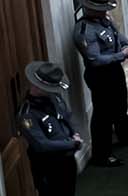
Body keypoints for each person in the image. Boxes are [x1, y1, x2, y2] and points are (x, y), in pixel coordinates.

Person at [73, 0, 128, 166]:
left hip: (114, 70)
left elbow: (116, 35)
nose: (105, 12)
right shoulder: (85, 31)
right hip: (100, 76)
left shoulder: (103, 20)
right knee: (103, 116)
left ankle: (127, 136)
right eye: (102, 9)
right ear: (91, 9)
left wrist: (127, 44)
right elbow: (95, 59)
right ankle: (102, 155)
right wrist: (122, 55)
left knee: (120, 105)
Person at [18, 61, 81, 196]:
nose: (54, 91)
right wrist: (72, 144)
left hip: (67, 159)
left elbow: (66, 116)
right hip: (49, 165)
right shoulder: (27, 115)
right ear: (38, 87)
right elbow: (41, 145)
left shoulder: (55, 98)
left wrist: (74, 133)